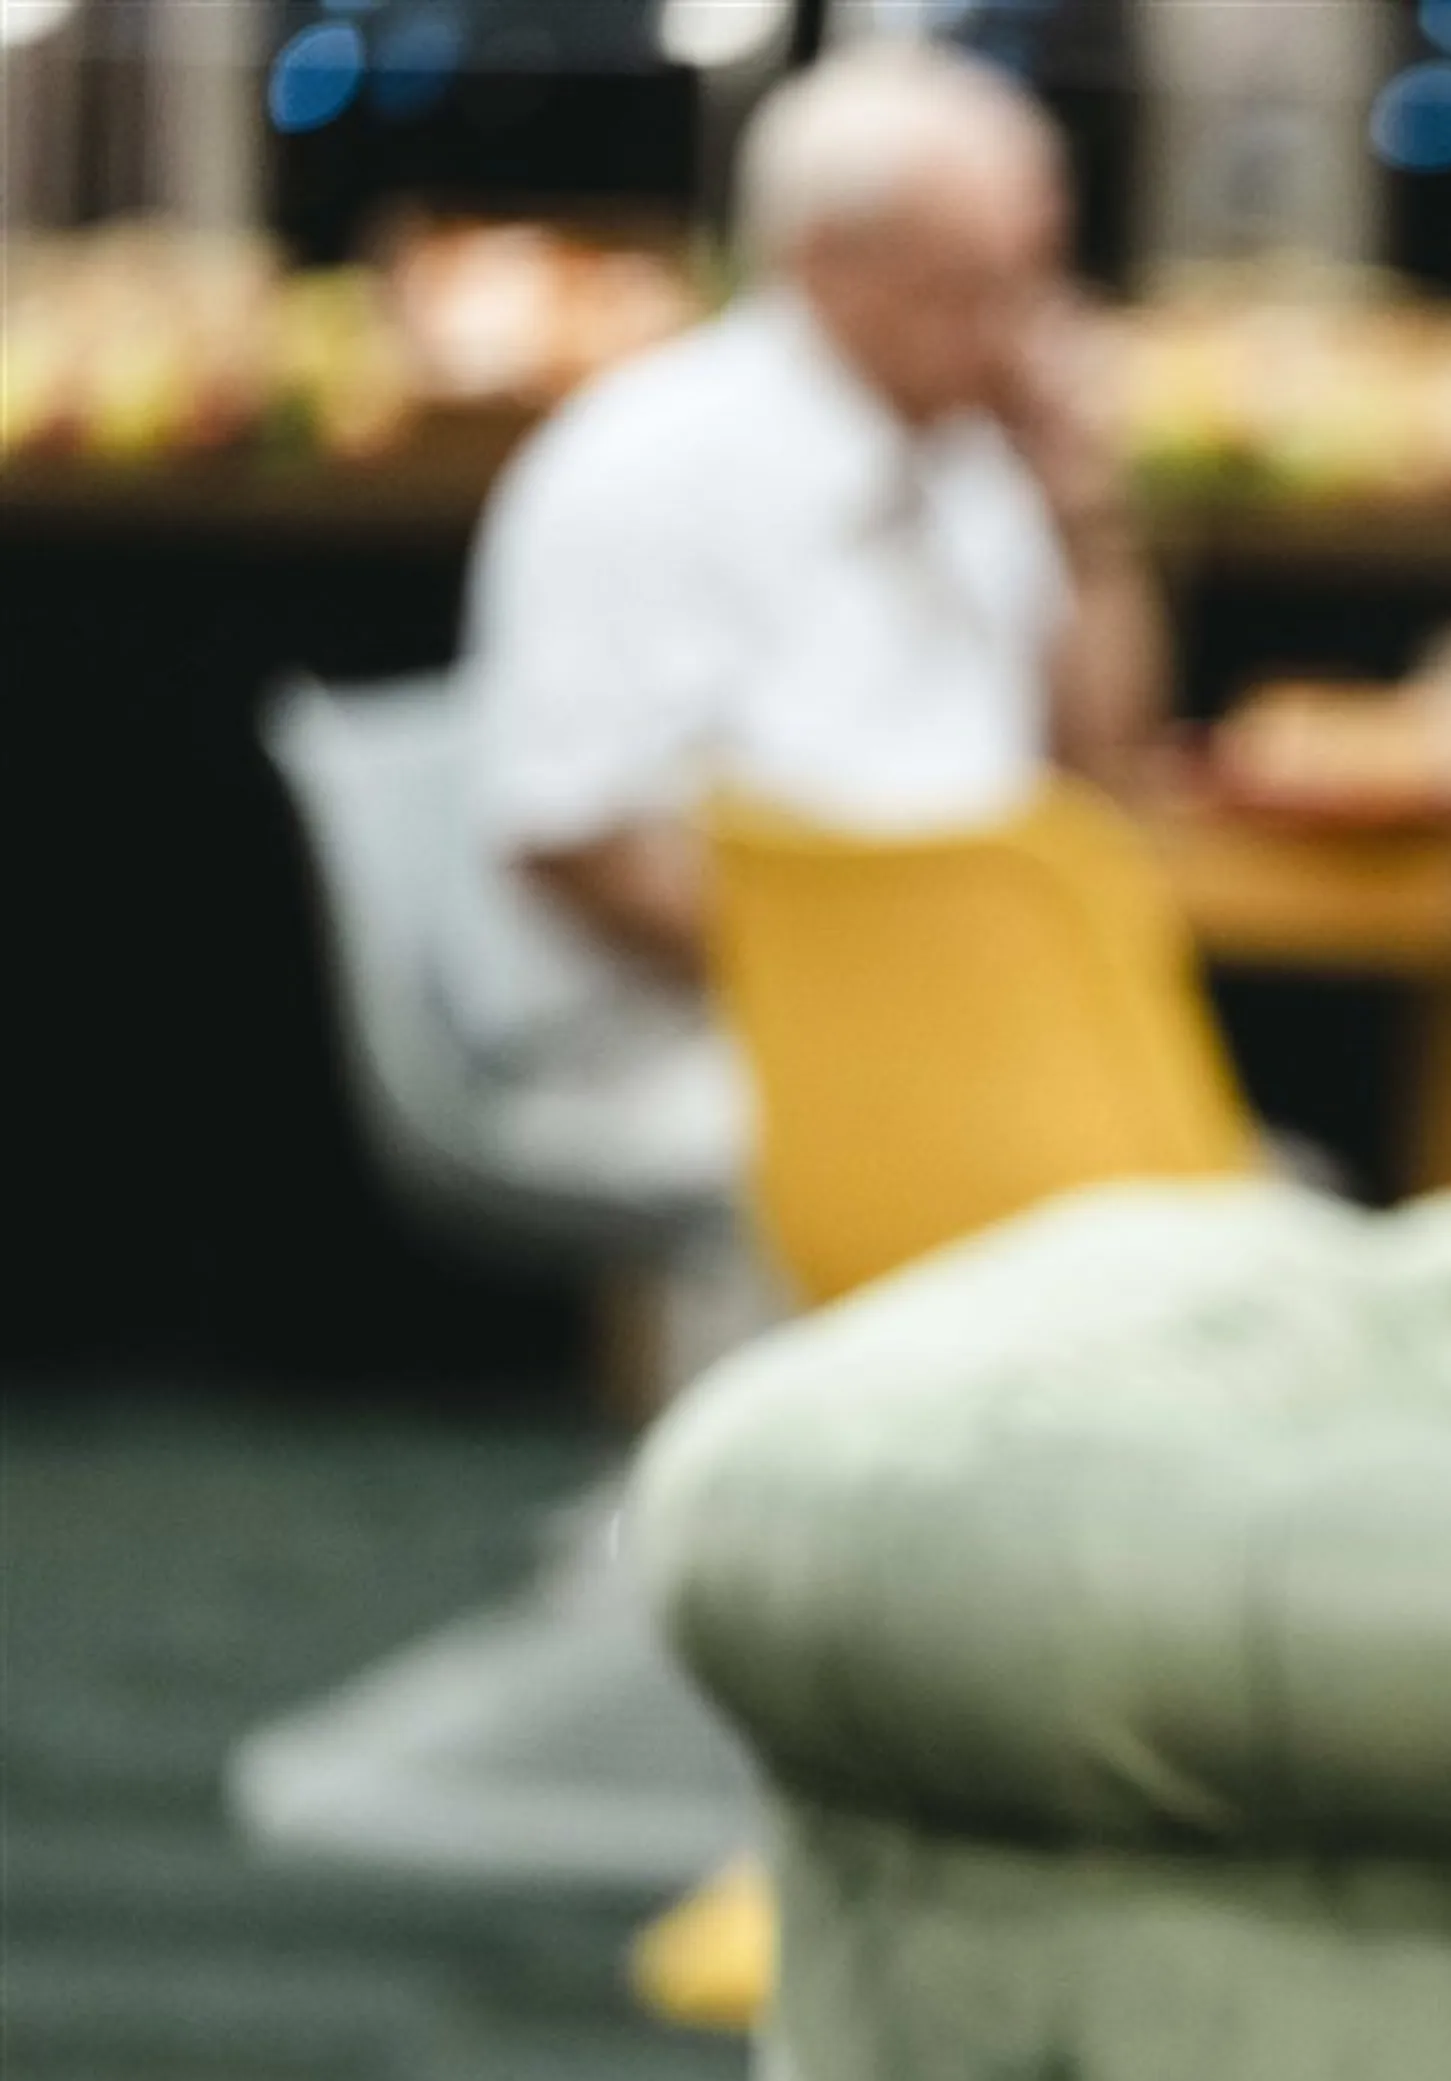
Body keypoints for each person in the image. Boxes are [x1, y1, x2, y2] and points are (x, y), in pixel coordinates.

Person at [450, 38, 1167, 1210]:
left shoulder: (983, 459)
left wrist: (1088, 524)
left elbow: (1101, 779)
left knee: (1191, 1186)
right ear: (823, 264)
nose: (1025, 337)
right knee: (1069, 1183)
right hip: (688, 1037)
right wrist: (885, 976)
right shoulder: (642, 465)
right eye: (973, 288)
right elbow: (572, 839)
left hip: (968, 1009)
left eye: (1040, 280)